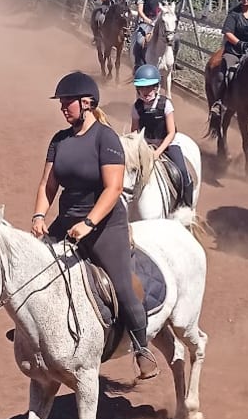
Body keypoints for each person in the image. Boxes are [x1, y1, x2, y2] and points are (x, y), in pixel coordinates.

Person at [32, 71, 158, 380]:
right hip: (66, 221)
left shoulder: (106, 137)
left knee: (122, 286)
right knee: (35, 272)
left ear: (86, 103)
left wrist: (89, 222)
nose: (63, 108)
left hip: (105, 224)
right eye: (61, 103)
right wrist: (38, 216)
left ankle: (142, 349)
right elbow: (48, 185)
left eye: (68, 103)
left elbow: (113, 188)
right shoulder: (59, 140)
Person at [131, 65, 193, 206]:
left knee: (183, 172)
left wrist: (158, 152)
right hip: (146, 145)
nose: (146, 91)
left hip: (167, 144)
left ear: (157, 87)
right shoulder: (136, 108)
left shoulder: (166, 104)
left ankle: (187, 207)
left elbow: (171, 132)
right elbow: (134, 133)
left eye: (149, 87)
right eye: (142, 88)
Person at [131, 0, 166, 67]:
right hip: (146, 22)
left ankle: (172, 63)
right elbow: (140, 11)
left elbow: (165, 8)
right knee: (139, 40)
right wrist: (148, 21)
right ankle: (138, 63)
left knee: (173, 38)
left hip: (159, 22)